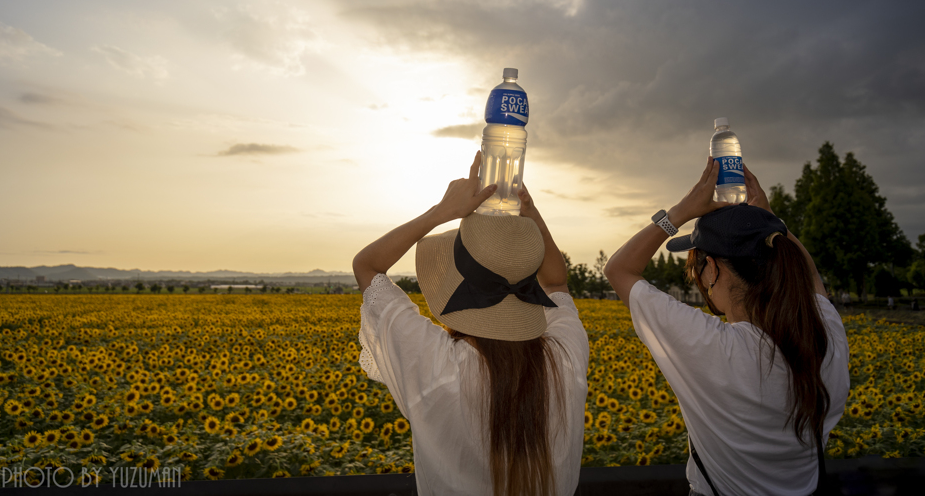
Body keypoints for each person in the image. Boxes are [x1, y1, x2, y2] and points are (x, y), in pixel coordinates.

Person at [603, 158, 849, 496]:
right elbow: (811, 279)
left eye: (697, 267)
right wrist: (770, 222)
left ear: (713, 270)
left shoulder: (714, 348)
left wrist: (679, 212)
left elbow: (619, 270)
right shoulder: (827, 337)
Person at [352, 152, 589, 496]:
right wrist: (531, 216)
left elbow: (367, 267)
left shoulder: (436, 366)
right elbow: (556, 283)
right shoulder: (566, 361)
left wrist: (442, 211)